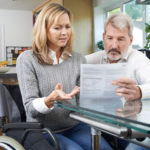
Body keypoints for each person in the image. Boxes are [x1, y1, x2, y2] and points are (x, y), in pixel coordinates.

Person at [16, 3, 112, 150]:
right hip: (42, 129)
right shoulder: (27, 59)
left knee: (104, 148)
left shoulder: (78, 59)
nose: (64, 32)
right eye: (57, 27)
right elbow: (30, 108)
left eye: (67, 26)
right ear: (44, 29)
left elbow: (84, 103)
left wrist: (103, 92)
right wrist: (50, 100)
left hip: (75, 125)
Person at [86, 12, 150, 150]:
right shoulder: (97, 58)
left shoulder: (138, 59)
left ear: (130, 40)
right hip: (106, 126)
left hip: (137, 130)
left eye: (121, 39)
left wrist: (139, 91)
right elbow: (69, 64)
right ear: (103, 37)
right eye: (110, 38)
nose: (114, 45)